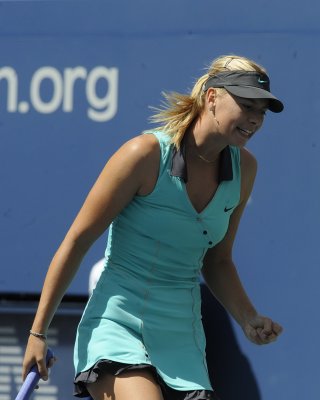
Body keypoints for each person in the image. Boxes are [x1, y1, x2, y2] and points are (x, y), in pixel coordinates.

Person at [22, 54, 284, 400]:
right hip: (118, 326)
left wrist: (247, 316)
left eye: (261, 111)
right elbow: (77, 241)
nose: (254, 119)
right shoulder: (143, 155)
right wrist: (37, 333)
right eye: (246, 105)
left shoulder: (245, 170)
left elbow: (218, 260)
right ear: (211, 98)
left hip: (182, 337)